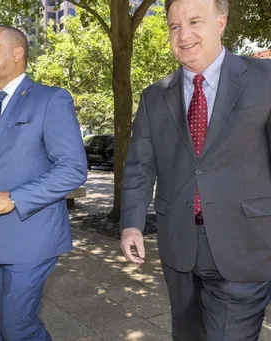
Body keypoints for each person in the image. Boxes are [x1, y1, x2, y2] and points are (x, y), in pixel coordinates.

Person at [120, 0, 271, 340]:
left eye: (194, 21)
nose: (183, 35)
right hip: (179, 247)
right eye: (174, 26)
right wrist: (131, 223)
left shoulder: (265, 79)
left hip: (246, 247)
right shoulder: (154, 97)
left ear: (221, 22)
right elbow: (140, 166)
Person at [0, 25, 87, 340]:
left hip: (33, 235)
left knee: (18, 327)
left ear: (17, 53)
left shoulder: (50, 99)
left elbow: (73, 169)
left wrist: (13, 197)